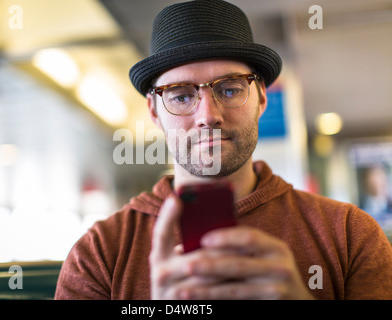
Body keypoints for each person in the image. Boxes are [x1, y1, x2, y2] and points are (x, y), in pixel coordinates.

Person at [55, 0, 392, 300]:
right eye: (181, 96)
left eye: (230, 90)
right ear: (154, 111)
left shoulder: (350, 235)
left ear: (261, 98)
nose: (208, 117)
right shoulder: (99, 256)